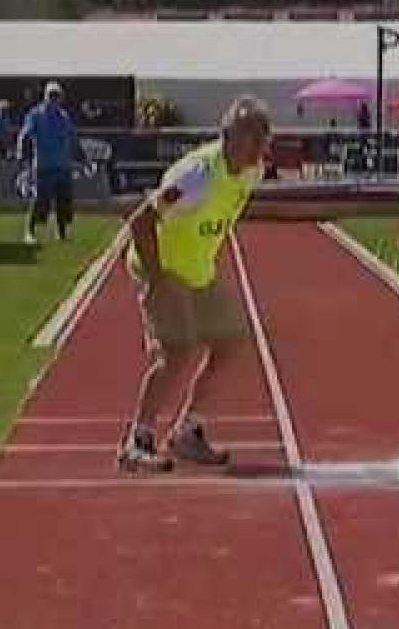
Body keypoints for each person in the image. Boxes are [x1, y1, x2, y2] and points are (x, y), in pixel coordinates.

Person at [116, 96, 272, 472]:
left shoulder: (253, 172)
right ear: (231, 137)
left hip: (198, 270)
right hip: (163, 267)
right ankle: (136, 441)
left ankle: (188, 430)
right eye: (254, 139)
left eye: (264, 140)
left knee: (232, 340)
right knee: (178, 350)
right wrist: (155, 280)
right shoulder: (195, 177)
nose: (261, 148)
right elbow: (140, 221)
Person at [18, 81, 86, 244]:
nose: (54, 99)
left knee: (63, 202)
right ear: (45, 96)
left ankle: (61, 234)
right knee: (40, 201)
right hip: (44, 165)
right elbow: (25, 135)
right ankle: (30, 232)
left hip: (63, 165)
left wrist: (81, 156)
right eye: (51, 95)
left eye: (57, 96)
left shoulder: (64, 116)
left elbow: (73, 137)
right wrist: (22, 154)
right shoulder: (35, 115)